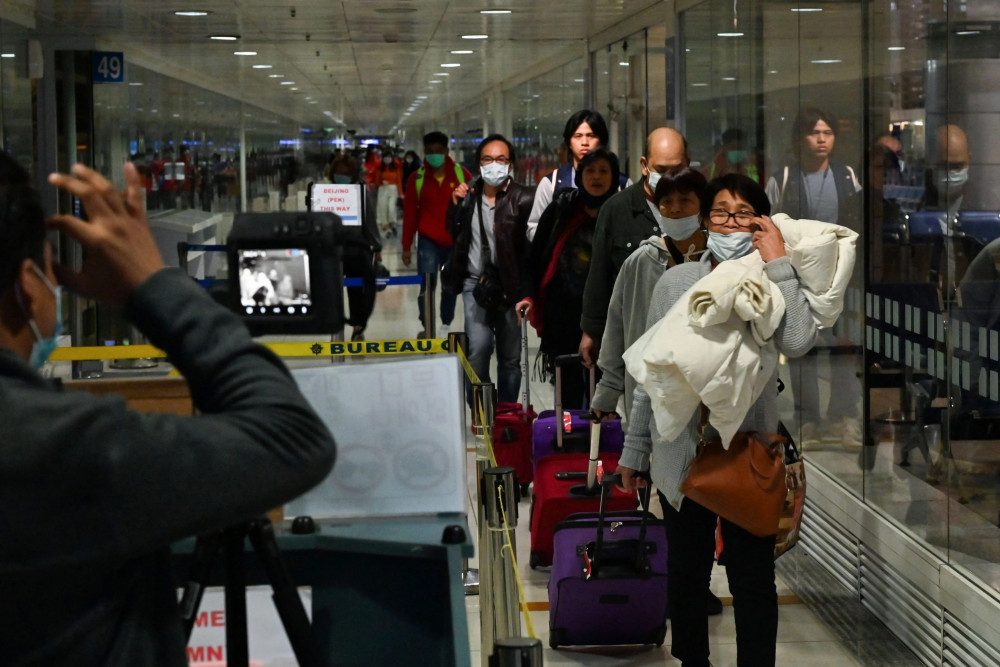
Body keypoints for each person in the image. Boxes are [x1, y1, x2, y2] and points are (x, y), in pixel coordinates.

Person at [0, 156, 336, 664]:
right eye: (53, 268)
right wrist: (152, 285)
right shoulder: (58, 446)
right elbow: (291, 437)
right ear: (28, 286)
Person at [619, 174, 819, 667]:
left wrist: (779, 264)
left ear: (761, 223)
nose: (731, 222)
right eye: (721, 212)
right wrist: (635, 450)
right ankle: (693, 661)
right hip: (681, 452)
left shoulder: (774, 281)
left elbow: (797, 341)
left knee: (753, 579)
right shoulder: (676, 282)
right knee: (687, 576)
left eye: (744, 212)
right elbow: (652, 374)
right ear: (706, 222)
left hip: (748, 454)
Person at [765, 107, 862, 447]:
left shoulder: (846, 175)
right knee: (801, 347)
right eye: (814, 132)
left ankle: (844, 416)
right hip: (798, 279)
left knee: (844, 348)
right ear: (799, 139)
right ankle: (808, 421)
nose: (821, 139)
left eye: (827, 132)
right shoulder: (784, 178)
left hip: (840, 279)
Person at [590, 167, 708, 425]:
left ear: (703, 208)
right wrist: (607, 393)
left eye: (685, 200)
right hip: (649, 390)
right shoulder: (640, 262)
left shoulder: (716, 261)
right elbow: (617, 327)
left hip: (704, 388)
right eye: (666, 202)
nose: (675, 209)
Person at [517, 147, 620, 409]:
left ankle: (600, 442)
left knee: (603, 386)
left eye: (603, 171)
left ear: (614, 176)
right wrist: (528, 295)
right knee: (568, 387)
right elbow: (535, 257)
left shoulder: (621, 215)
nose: (596, 177)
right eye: (590, 171)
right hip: (562, 315)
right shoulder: (561, 210)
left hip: (606, 318)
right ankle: (570, 438)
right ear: (579, 174)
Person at [579, 127, 691, 368]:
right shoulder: (617, 209)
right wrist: (591, 331)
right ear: (645, 165)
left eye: (677, 169)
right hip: (634, 329)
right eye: (661, 170)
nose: (670, 178)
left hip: (688, 328)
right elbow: (599, 274)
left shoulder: (699, 206)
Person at [448, 134, 534, 405]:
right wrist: (454, 206)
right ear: (478, 164)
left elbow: (531, 249)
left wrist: (527, 292)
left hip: (511, 288)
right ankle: (481, 409)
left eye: (501, 159)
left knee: (510, 358)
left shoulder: (523, 199)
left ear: (510, 165)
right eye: (488, 159)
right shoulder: (468, 197)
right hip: (475, 284)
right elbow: (453, 234)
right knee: (478, 348)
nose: (494, 165)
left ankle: (507, 412)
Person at [401, 131, 472, 338]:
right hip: (427, 242)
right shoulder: (418, 178)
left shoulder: (462, 175)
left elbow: (471, 210)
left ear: (447, 151)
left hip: (454, 242)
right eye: (429, 152)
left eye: (438, 151)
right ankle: (427, 324)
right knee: (426, 285)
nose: (434, 156)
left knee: (449, 286)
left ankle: (446, 323)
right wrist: (406, 247)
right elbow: (410, 215)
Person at [525, 110, 630, 241]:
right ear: (569, 142)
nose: (584, 142)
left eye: (591, 135)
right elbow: (534, 227)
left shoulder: (622, 184)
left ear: (602, 141)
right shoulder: (551, 183)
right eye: (578, 136)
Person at [327, 154, 383, 341]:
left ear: (352, 175)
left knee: (357, 288)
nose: (341, 176)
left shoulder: (360, 193)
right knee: (330, 287)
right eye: (338, 173)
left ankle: (358, 324)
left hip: (356, 248)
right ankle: (334, 324)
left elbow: (369, 221)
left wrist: (376, 247)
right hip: (332, 248)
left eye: (345, 173)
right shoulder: (325, 193)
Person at [374, 148, 404, 238]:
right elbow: (376, 181)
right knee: (383, 207)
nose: (387, 159)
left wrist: (401, 192)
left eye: (389, 157)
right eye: (385, 157)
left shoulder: (396, 167)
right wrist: (380, 182)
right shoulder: (380, 168)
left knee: (391, 207)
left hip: (393, 189)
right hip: (383, 189)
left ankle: (392, 222)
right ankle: (386, 227)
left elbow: (399, 180)